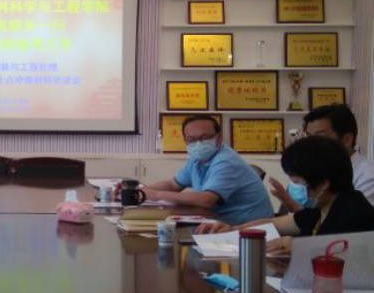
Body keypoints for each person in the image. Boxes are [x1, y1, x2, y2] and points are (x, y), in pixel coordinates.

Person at [198, 136, 374, 255]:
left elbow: (346, 256)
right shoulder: (319, 209)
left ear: (323, 184)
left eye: (297, 182)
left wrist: (300, 248)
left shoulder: (355, 214)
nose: (294, 188)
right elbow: (273, 224)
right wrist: (233, 229)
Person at [141, 115, 274, 225]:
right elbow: (173, 184)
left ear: (219, 138)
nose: (198, 144)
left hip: (249, 231)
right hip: (222, 224)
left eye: (205, 138)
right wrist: (142, 191)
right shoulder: (196, 159)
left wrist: (157, 195)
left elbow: (206, 200)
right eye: (192, 140)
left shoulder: (226, 161)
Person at [271, 104, 374, 211]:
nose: (311, 145)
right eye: (309, 137)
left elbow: (346, 219)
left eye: (320, 137)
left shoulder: (368, 178)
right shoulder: (320, 169)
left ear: (347, 140)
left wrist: (293, 206)